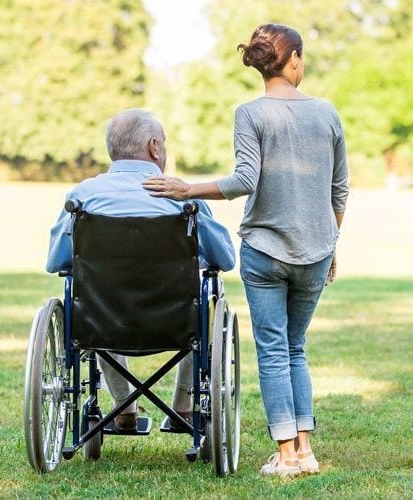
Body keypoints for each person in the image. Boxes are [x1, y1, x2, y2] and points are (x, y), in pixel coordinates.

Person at [143, 24, 349, 476]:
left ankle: (287, 455)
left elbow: (244, 181)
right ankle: (306, 450)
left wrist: (187, 189)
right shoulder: (328, 113)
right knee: (296, 347)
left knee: (274, 349)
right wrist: (331, 245)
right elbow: (339, 192)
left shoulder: (249, 113)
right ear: (292, 59)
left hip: (265, 250)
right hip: (315, 250)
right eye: (302, 57)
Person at [46, 108, 235, 432]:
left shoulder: (83, 197)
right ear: (154, 147)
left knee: (95, 295)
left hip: (103, 323)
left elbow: (56, 263)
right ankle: (185, 409)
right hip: (175, 322)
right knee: (205, 298)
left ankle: (124, 410)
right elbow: (226, 260)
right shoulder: (183, 199)